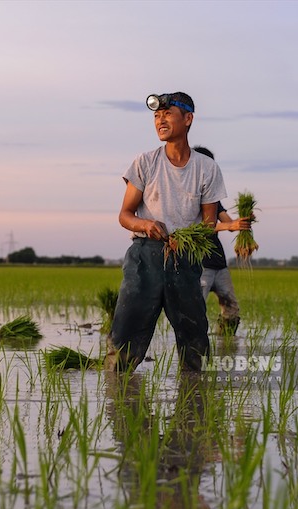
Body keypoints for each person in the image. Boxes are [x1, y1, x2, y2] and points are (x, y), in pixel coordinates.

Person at [106, 92, 227, 373]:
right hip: (144, 257)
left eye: (167, 113)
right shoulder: (145, 162)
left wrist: (184, 240)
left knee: (194, 336)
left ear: (188, 119)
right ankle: (118, 398)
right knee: (125, 333)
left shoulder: (207, 168)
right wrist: (146, 225)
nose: (160, 119)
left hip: (184, 258)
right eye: (156, 116)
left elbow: (208, 225)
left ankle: (194, 402)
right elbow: (125, 215)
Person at [192, 146, 251, 336]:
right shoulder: (190, 197)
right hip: (200, 265)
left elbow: (227, 221)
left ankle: (226, 344)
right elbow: (199, 226)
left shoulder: (213, 197)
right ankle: (195, 350)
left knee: (231, 308)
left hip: (219, 264)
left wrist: (242, 222)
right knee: (195, 311)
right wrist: (229, 226)